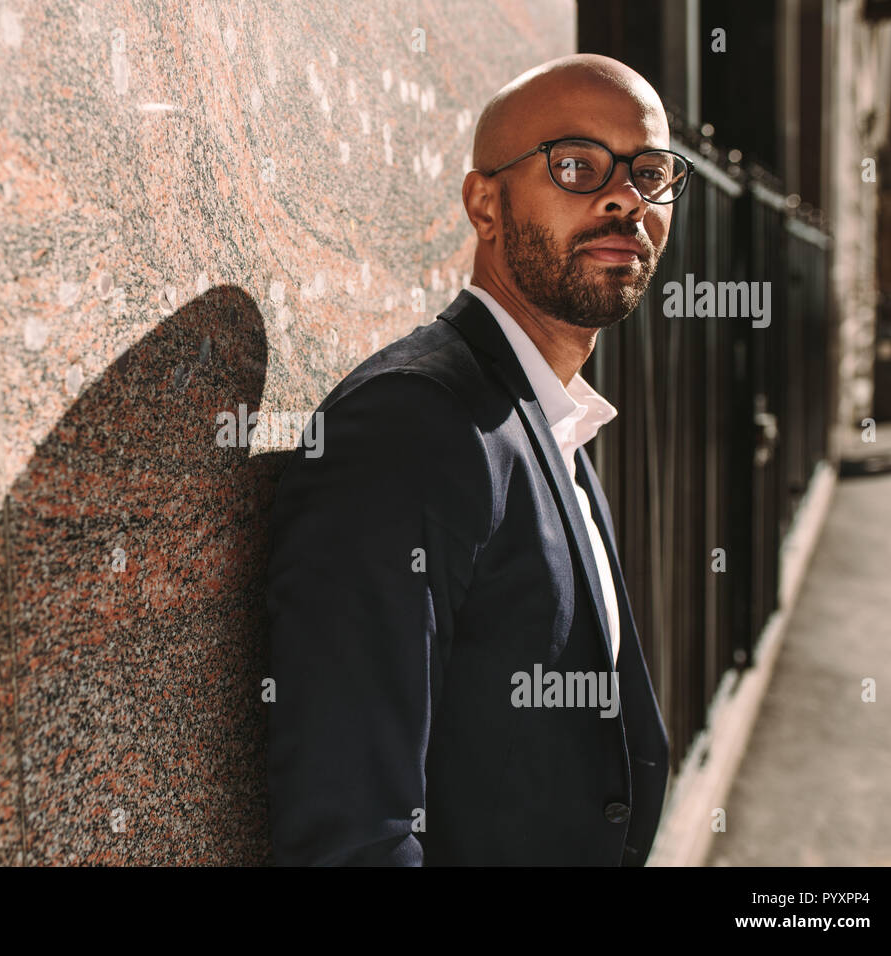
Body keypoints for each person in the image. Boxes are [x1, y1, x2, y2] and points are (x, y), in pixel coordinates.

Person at [264, 53, 685, 865]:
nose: (625, 199)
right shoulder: (413, 423)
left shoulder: (541, 411)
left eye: (651, 173)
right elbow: (356, 835)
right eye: (576, 165)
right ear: (483, 204)